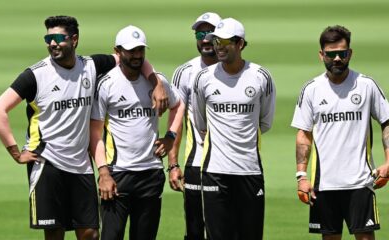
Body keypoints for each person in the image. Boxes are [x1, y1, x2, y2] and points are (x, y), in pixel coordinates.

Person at [0, 16, 168, 240]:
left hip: (82, 166)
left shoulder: (91, 66)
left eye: (58, 38)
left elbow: (133, 58)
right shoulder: (35, 75)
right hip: (48, 165)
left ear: (74, 40)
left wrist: (156, 83)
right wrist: (16, 152)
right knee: (55, 234)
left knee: (91, 234)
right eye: (48, 38)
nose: (52, 43)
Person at [291, 25, 389, 240]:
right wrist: (301, 176)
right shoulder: (311, 90)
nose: (336, 59)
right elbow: (303, 135)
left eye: (342, 54)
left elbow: (387, 122)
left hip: (360, 182)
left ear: (350, 53)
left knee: (365, 238)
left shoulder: (366, 85)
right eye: (331, 54)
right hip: (324, 184)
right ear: (321, 55)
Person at [89, 25, 182, 240]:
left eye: (140, 50)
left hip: (151, 173)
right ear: (118, 51)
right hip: (118, 174)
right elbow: (95, 134)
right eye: (131, 51)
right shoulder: (107, 84)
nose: (137, 56)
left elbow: (179, 106)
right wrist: (103, 173)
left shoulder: (158, 81)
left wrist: (170, 137)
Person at [191, 17, 276, 240]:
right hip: (214, 171)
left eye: (225, 41)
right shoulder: (203, 78)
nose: (218, 46)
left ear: (240, 44)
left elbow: (264, 122)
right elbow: (201, 124)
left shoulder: (260, 77)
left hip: (249, 171)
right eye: (216, 41)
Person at [167, 12, 221, 240]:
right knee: (195, 231)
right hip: (196, 163)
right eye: (201, 33)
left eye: (211, 32)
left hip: (233, 166)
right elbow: (176, 119)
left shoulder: (238, 71)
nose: (206, 39)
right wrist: (173, 164)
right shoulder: (185, 72)